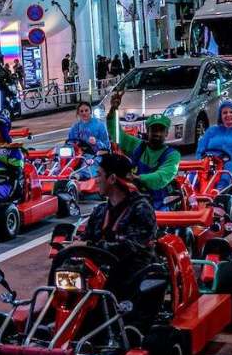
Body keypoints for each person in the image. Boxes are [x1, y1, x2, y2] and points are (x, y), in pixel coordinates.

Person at [78, 152, 158, 317]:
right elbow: (86, 239)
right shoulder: (100, 211)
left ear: (112, 178)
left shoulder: (141, 209)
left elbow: (130, 248)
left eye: (99, 174)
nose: (96, 179)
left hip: (129, 275)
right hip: (99, 271)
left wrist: (89, 247)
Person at [106, 90, 182, 210]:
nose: (157, 133)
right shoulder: (137, 145)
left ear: (167, 133)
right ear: (147, 131)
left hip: (159, 204)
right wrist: (113, 110)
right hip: (134, 200)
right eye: (153, 130)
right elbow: (116, 134)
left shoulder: (173, 155)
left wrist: (138, 178)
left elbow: (161, 178)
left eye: (160, 130)